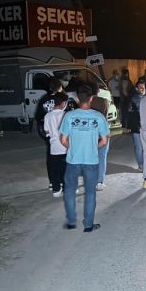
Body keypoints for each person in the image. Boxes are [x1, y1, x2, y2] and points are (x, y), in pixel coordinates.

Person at [58, 85, 110, 232]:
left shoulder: (69, 116)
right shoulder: (98, 117)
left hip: (73, 160)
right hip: (91, 161)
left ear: (77, 99)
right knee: (90, 193)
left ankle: (71, 221)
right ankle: (88, 225)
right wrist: (93, 147)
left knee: (69, 190)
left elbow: (63, 140)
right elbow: (104, 141)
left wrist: (73, 148)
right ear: (91, 98)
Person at [44, 92, 69, 198]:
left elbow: (46, 132)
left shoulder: (48, 115)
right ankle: (66, 188)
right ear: (63, 103)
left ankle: (56, 189)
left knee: (54, 169)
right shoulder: (66, 115)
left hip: (53, 147)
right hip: (65, 147)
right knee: (66, 169)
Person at [90, 86, 111, 192]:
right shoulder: (104, 101)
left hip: (90, 133)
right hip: (102, 131)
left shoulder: (85, 102)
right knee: (102, 157)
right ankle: (100, 182)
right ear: (98, 91)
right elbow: (105, 116)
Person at [127, 80, 145, 171]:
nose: (142, 89)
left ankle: (145, 164)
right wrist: (128, 126)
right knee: (139, 147)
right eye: (140, 87)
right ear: (136, 88)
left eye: (144, 87)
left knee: (145, 147)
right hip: (137, 126)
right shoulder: (134, 99)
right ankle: (141, 165)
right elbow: (129, 113)